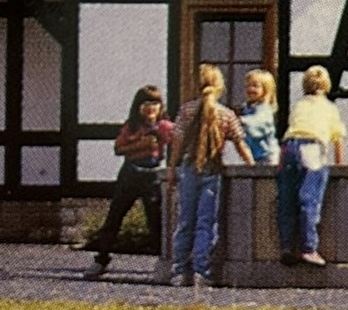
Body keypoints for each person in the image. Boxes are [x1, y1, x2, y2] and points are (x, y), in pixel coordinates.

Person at [168, 63, 254, 287]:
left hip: (189, 168)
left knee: (185, 219)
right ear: (219, 86)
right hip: (212, 169)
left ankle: (179, 269)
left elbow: (177, 143)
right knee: (206, 222)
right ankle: (201, 270)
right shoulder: (226, 114)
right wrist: (253, 165)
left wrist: (171, 168)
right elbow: (240, 143)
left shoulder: (186, 111)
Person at [83, 85, 174, 280]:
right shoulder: (131, 126)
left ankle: (163, 262)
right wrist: (139, 145)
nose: (150, 109)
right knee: (115, 215)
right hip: (130, 174)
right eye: (146, 104)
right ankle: (101, 258)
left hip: (153, 176)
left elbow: (178, 141)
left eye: (154, 104)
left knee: (156, 219)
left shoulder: (165, 127)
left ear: (160, 107)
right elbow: (118, 148)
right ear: (138, 107)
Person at [277, 65, 346, 267]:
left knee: (287, 199)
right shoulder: (329, 108)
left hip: (288, 147)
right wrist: (339, 163)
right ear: (327, 85)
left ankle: (287, 246)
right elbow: (337, 137)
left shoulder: (299, 105)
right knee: (309, 198)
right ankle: (309, 248)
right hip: (312, 147)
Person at [239, 69, 280, 166]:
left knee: (265, 180)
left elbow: (257, 123)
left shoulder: (265, 110)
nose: (250, 89)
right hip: (253, 156)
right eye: (248, 86)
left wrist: (241, 121)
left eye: (255, 86)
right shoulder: (246, 109)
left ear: (266, 90)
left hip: (267, 156)